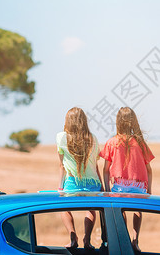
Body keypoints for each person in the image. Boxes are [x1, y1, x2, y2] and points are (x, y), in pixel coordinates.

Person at [100, 107, 154, 252]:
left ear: (118, 122)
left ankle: (123, 240)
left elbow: (105, 170)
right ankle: (135, 239)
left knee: (120, 210)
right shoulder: (140, 143)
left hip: (119, 186)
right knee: (137, 210)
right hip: (139, 186)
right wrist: (148, 189)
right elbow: (149, 170)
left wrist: (106, 189)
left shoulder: (112, 142)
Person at [57, 107, 103, 250]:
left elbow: (61, 166)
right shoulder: (93, 138)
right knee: (91, 209)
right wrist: (101, 185)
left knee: (64, 207)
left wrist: (60, 187)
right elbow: (95, 165)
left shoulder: (61, 137)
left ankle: (72, 237)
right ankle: (87, 240)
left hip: (72, 183)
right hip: (93, 183)